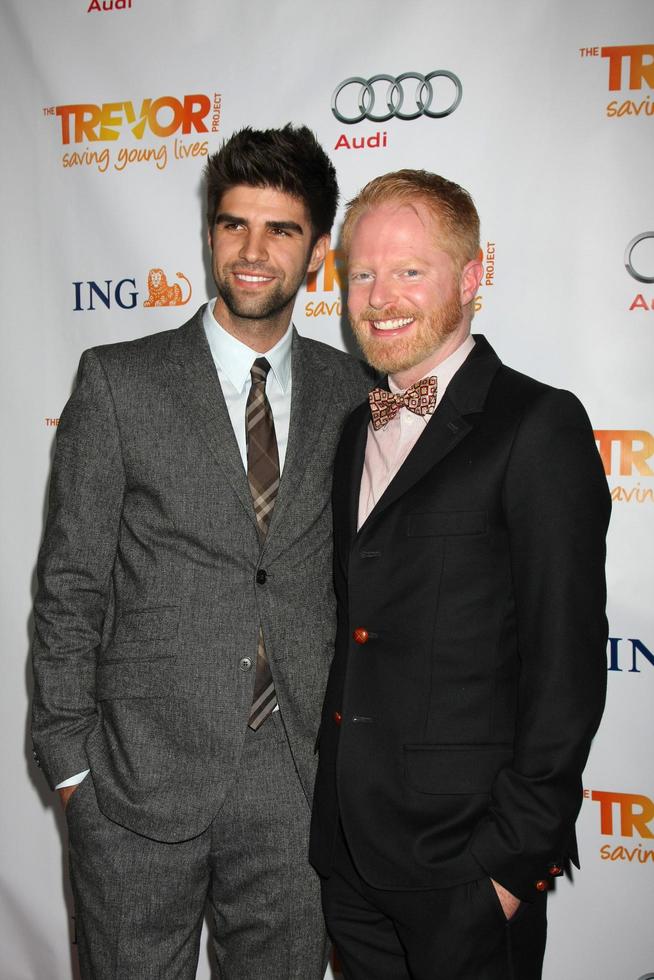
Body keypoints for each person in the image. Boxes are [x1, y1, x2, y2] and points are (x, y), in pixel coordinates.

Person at [31, 124, 373, 980]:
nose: (253, 252)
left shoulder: (356, 396)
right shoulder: (118, 381)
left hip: (296, 779)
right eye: (234, 225)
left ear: (319, 251)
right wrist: (73, 771)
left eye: (282, 230)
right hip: (135, 779)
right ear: (210, 232)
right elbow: (70, 586)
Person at [309, 169, 611, 980]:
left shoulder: (537, 424)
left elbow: (568, 663)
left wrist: (511, 867)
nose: (380, 297)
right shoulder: (350, 433)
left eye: (411, 271)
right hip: (350, 855)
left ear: (473, 276)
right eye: (363, 273)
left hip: (467, 862)